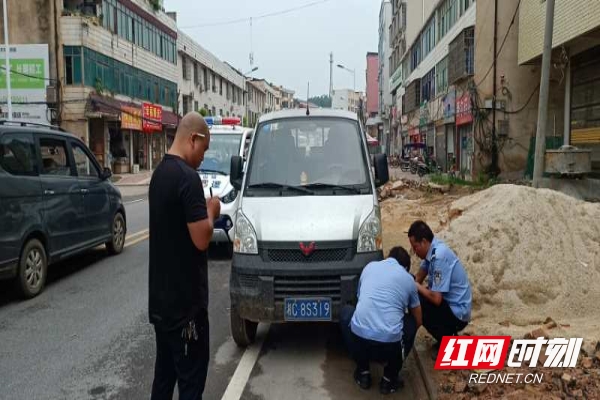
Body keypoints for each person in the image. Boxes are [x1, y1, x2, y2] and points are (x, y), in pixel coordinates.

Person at [148, 112, 221, 400]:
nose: (203, 157)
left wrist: (197, 210)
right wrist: (211, 211)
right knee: (190, 385)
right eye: (204, 150)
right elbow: (202, 238)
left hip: (162, 307)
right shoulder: (187, 178)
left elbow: (176, 225)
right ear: (194, 139)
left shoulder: (159, 175)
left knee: (163, 381)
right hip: (186, 312)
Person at [340, 247, 422, 395]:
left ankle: (363, 372)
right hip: (389, 347)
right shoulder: (408, 279)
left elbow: (359, 301)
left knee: (347, 312)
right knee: (411, 323)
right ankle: (389, 379)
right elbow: (419, 319)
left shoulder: (369, 267)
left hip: (360, 341)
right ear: (405, 267)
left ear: (387, 258)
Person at [408, 220, 472, 351]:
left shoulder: (439, 257)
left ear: (424, 241)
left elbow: (436, 299)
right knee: (415, 294)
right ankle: (445, 337)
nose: (414, 252)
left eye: (415, 247)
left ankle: (448, 340)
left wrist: (414, 286)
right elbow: (418, 277)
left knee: (418, 302)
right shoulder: (432, 251)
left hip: (458, 312)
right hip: (449, 305)